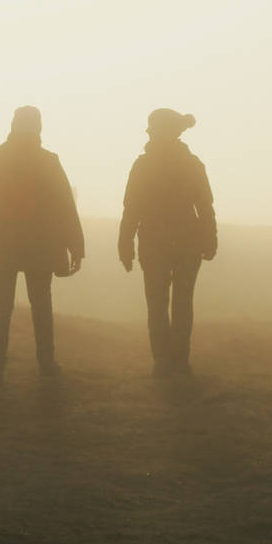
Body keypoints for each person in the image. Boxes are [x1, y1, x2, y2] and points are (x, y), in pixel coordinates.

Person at [0, 106, 84, 385]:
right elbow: (65, 206)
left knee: (0, 307)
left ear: (13, 125)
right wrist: (76, 246)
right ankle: (46, 364)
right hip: (41, 246)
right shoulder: (49, 161)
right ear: (39, 128)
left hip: (0, 245)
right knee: (41, 305)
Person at [118, 108, 216, 377]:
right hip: (187, 243)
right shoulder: (192, 164)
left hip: (153, 243)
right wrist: (210, 240)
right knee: (183, 303)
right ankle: (180, 361)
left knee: (157, 304)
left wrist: (125, 245)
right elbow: (204, 206)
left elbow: (131, 209)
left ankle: (162, 362)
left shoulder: (143, 166)